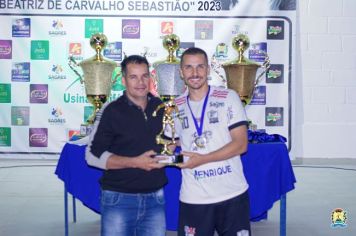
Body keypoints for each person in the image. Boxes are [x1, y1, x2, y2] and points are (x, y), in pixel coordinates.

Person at [166, 47, 251, 236]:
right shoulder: (174, 108)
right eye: (188, 67)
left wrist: (202, 159)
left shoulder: (228, 97)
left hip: (232, 194)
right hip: (194, 197)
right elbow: (169, 146)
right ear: (181, 72)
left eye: (200, 67)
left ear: (208, 69)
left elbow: (241, 144)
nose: (194, 73)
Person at [85, 55, 167, 236]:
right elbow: (92, 156)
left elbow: (168, 143)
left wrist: (173, 147)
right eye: (133, 77)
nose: (140, 82)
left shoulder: (161, 107)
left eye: (145, 76)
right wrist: (135, 162)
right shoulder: (111, 110)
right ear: (123, 81)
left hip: (155, 198)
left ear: (150, 78)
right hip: (119, 199)